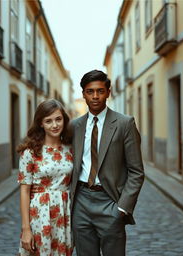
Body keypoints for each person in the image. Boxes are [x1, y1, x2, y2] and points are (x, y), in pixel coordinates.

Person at [71, 70, 145, 256]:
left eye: (100, 91)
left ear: (108, 92)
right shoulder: (74, 126)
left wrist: (122, 208)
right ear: (83, 95)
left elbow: (136, 171)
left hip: (110, 201)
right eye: (90, 91)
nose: (95, 96)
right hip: (81, 202)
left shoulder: (125, 124)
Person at [17, 99, 73, 256]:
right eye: (48, 121)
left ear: (64, 120)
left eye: (58, 119)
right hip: (39, 215)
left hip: (64, 214)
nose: (55, 125)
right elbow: (24, 192)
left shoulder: (71, 149)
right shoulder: (30, 152)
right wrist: (26, 229)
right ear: (41, 123)